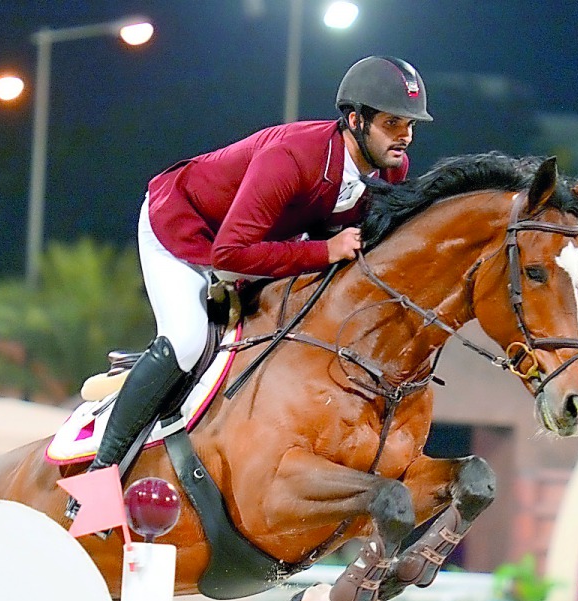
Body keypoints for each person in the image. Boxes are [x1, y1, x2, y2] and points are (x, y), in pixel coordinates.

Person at [67, 55, 433, 517]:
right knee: (187, 339)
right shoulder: (292, 157)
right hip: (186, 228)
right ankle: (97, 482)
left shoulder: (391, 167)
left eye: (410, 125)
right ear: (356, 121)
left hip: (263, 241)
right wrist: (323, 251)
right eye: (392, 123)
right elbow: (229, 254)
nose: (405, 136)